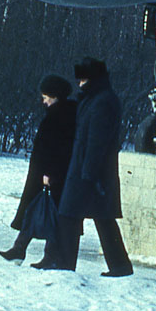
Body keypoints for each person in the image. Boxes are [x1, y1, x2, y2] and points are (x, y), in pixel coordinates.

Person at [36, 58, 133, 278]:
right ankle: (119, 266)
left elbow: (96, 141)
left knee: (70, 216)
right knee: (102, 219)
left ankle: (66, 263)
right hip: (92, 171)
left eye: (83, 79)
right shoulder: (98, 99)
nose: (80, 84)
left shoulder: (101, 102)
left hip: (88, 172)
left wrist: (88, 173)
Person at [0, 76, 77, 262]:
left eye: (46, 96)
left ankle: (40, 254)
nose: (44, 101)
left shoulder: (59, 116)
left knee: (45, 212)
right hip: (46, 172)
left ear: (55, 96)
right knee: (37, 210)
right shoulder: (63, 113)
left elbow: (58, 148)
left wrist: (49, 173)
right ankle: (21, 249)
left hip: (48, 173)